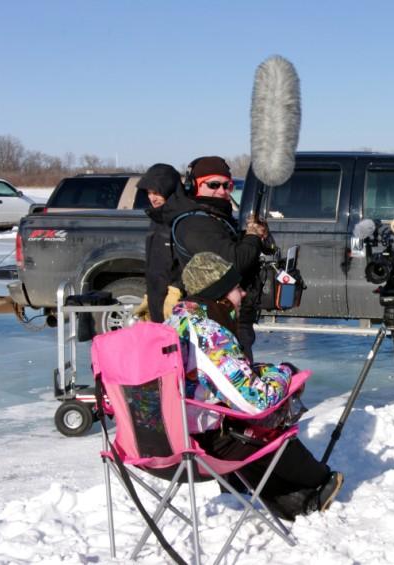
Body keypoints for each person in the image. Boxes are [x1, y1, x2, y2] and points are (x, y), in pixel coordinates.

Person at [166, 251, 342, 520]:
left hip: (167, 436)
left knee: (239, 422)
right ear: (219, 293)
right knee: (260, 420)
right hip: (201, 443)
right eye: (236, 288)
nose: (243, 294)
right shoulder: (208, 333)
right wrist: (285, 372)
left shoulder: (174, 321)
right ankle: (314, 483)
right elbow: (257, 399)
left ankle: (291, 498)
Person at [161, 156, 274, 362]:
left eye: (227, 185)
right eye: (213, 185)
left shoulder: (215, 217)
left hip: (230, 313)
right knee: (235, 383)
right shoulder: (196, 223)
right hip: (216, 319)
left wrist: (258, 237)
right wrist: (252, 237)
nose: (222, 191)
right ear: (193, 185)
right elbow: (234, 262)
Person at [135, 163, 184, 323]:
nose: (152, 197)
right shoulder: (156, 219)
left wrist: (178, 289)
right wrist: (149, 296)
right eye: (149, 193)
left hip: (179, 302)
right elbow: (154, 264)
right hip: (157, 298)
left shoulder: (184, 219)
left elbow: (192, 260)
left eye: (157, 192)